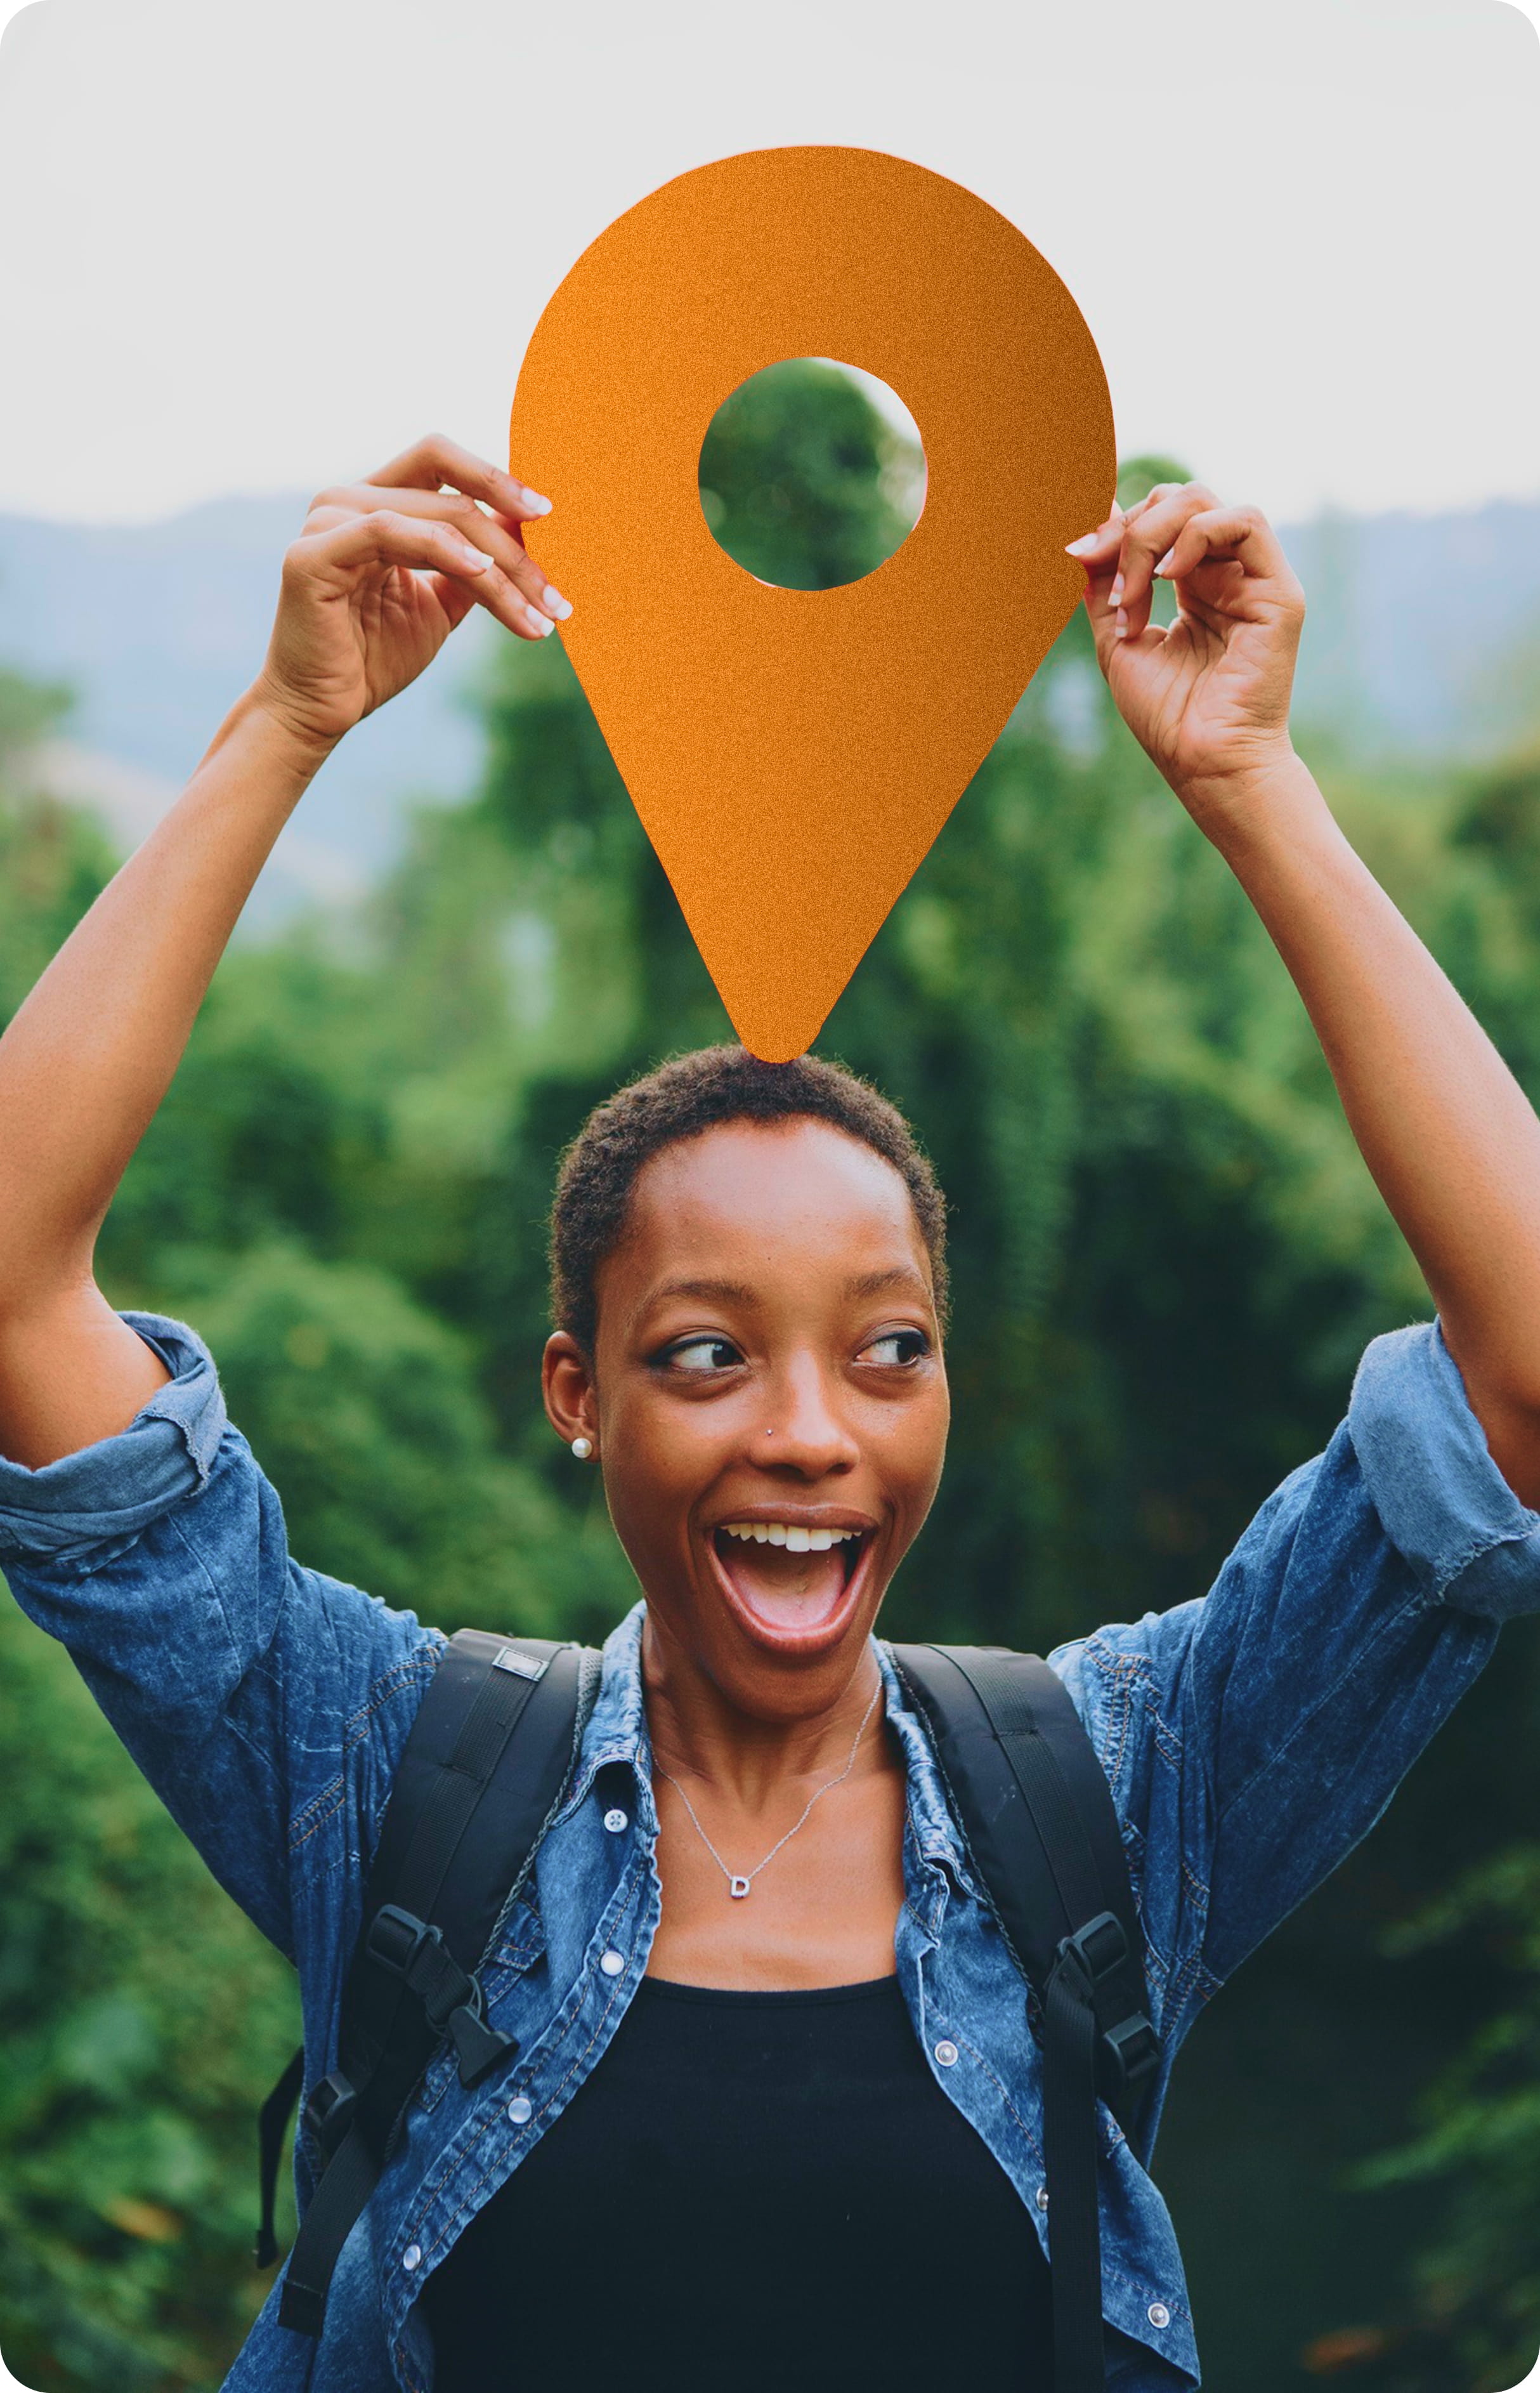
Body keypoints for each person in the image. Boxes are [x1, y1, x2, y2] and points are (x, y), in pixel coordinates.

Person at [2, 434, 1539, 2393]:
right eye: (706, 1352)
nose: (812, 1430)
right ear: (577, 1393)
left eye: (888, 1348)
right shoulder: (388, 1782)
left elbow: (1514, 1382)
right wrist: (287, 722)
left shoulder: (1120, 1799)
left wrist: (1249, 782)